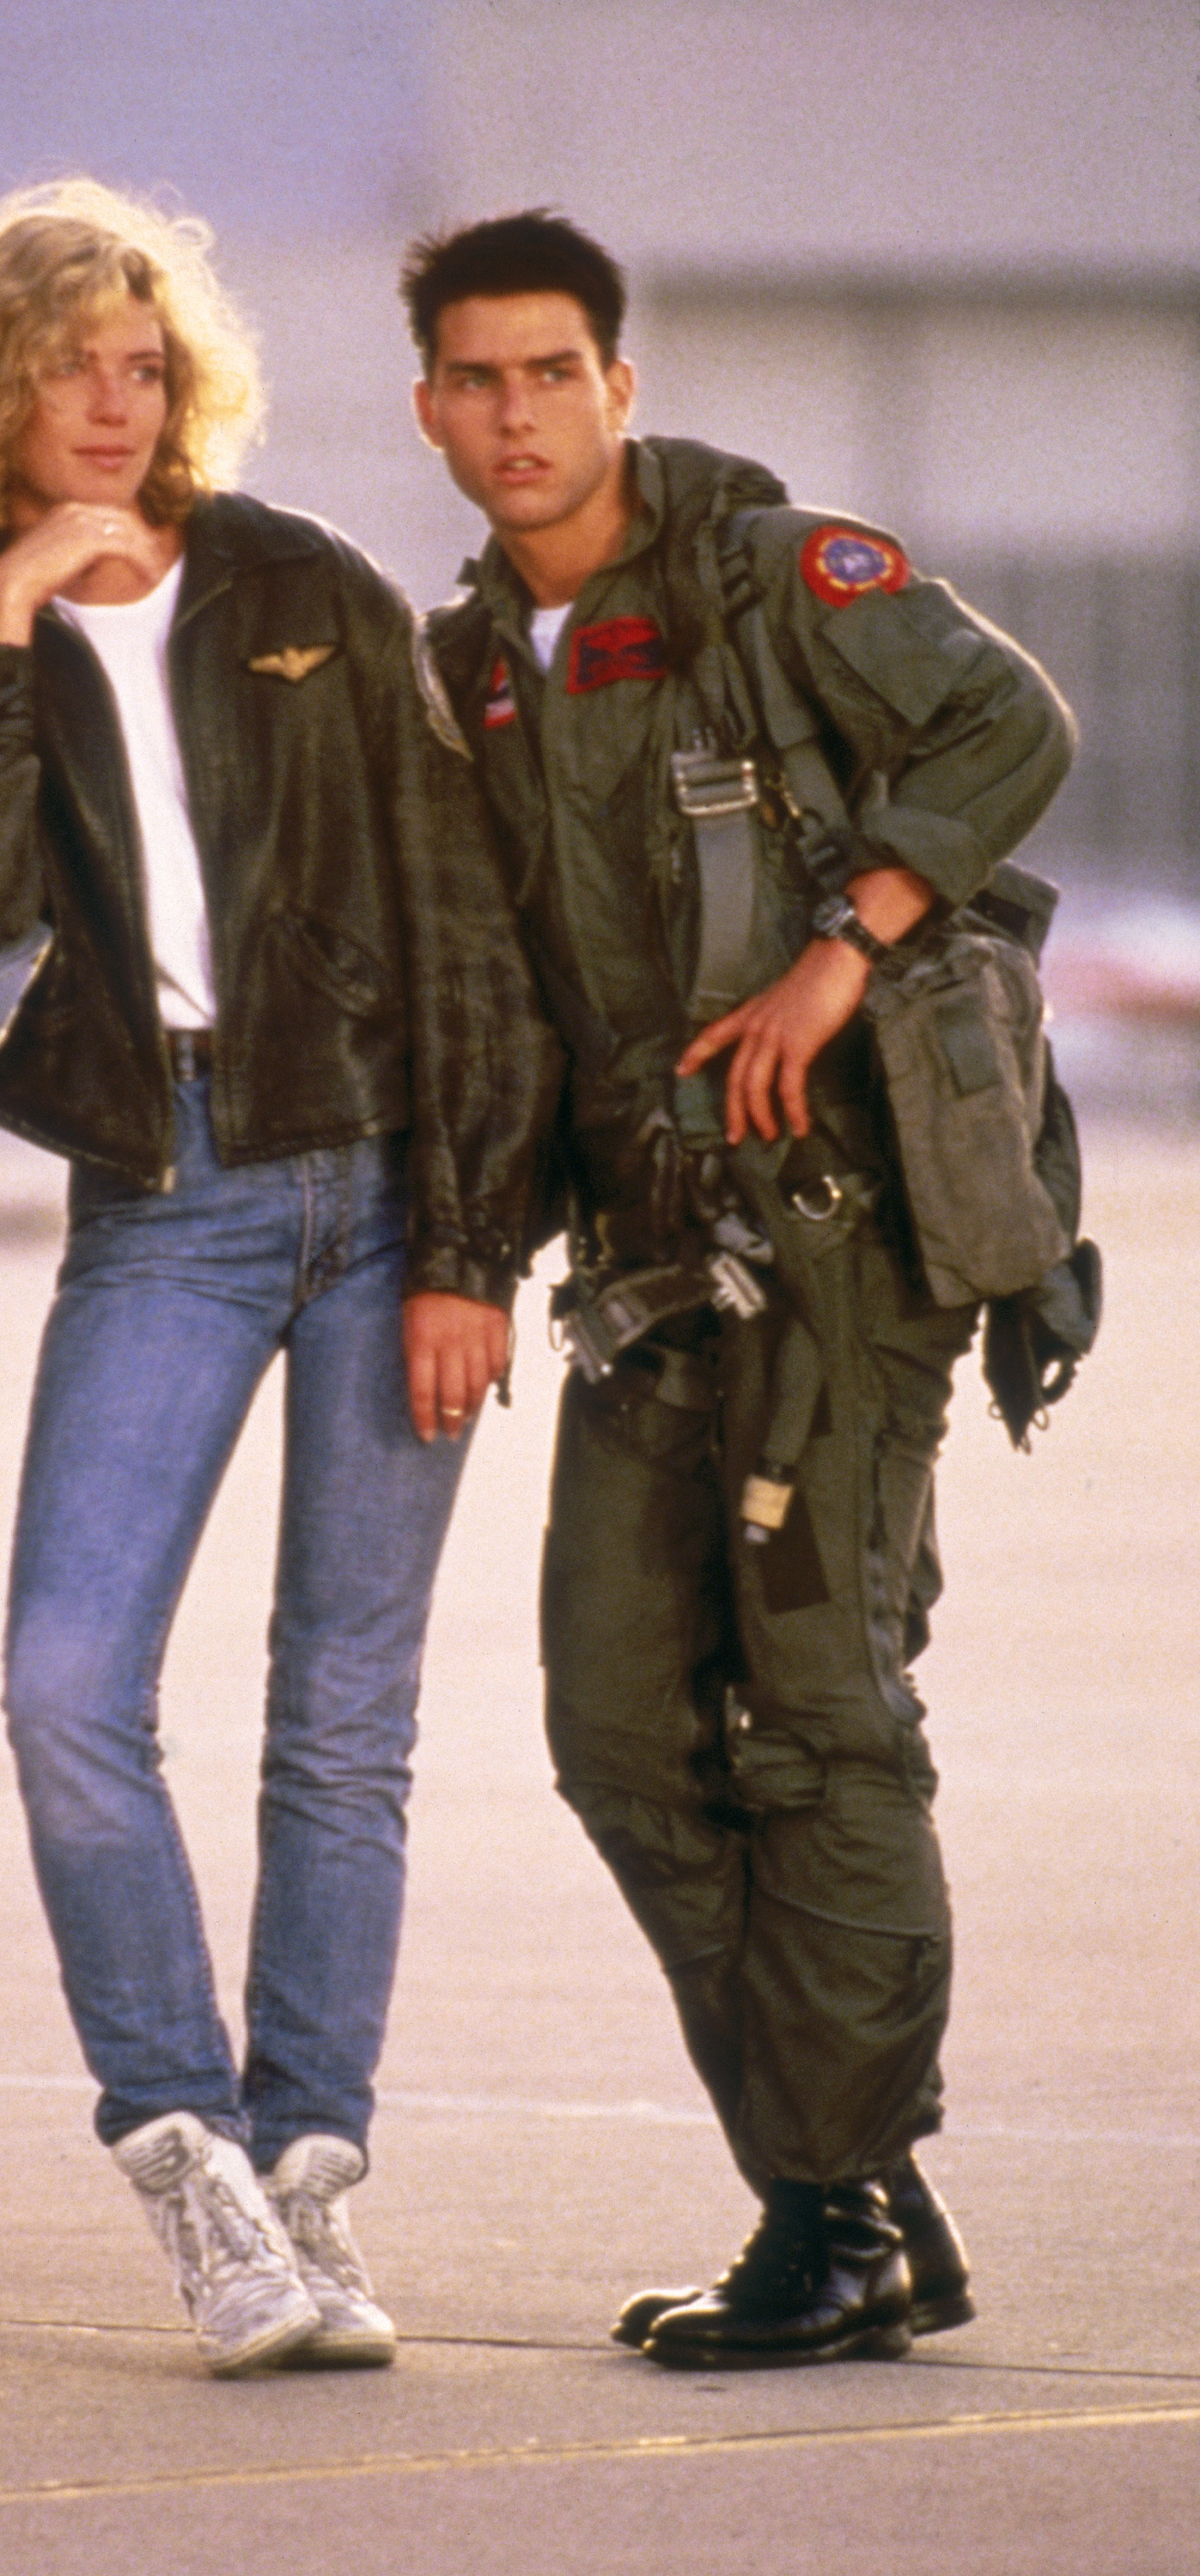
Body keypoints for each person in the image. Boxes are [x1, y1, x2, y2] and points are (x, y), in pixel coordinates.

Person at [0, 179, 558, 2378]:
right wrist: (5, 620)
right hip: (170, 1198)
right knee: (61, 1686)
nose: (114, 403)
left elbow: (462, 922)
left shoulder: (300, 579)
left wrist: (476, 1244)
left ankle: (313, 2180)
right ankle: (182, 2150)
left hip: (390, 1192)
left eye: (144, 364)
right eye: (67, 366)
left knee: (343, 1718)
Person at [403, 211, 1075, 2368]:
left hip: (843, 1239)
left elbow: (1010, 722)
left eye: (550, 374)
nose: (515, 417)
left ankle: (831, 2210)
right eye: (474, 383)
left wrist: (844, 936)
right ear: (432, 408)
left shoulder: (779, 576)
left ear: (617, 381)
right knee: (615, 1726)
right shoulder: (471, 663)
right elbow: (490, 986)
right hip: (645, 1263)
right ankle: (852, 2188)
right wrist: (462, 1253)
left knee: (820, 1728)